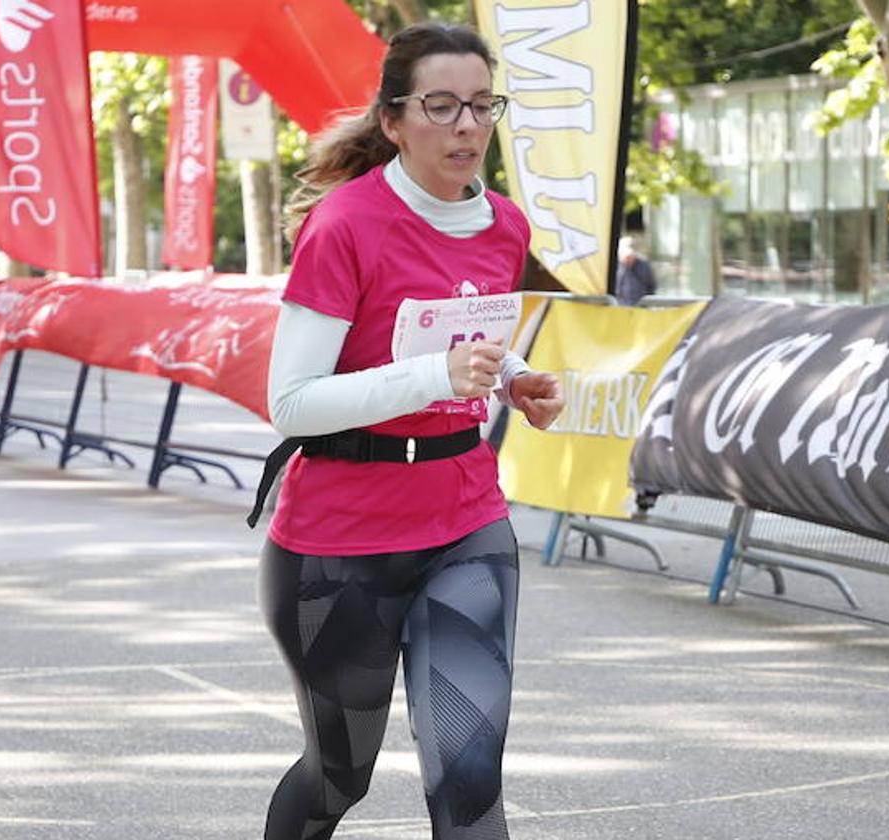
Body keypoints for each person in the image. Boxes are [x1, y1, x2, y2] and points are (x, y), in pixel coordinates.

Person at [248, 21, 565, 840]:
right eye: (442, 105)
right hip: (339, 546)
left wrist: (514, 377)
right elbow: (292, 402)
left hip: (465, 525)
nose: (467, 126)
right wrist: (436, 377)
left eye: (482, 105)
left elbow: (465, 341)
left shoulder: (504, 226)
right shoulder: (346, 225)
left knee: (467, 776)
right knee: (336, 780)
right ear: (393, 120)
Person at [615, 235, 657, 305]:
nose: (628, 260)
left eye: (630, 257)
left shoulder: (644, 265)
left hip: (640, 307)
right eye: (626, 258)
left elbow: (651, 286)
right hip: (621, 307)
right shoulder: (617, 267)